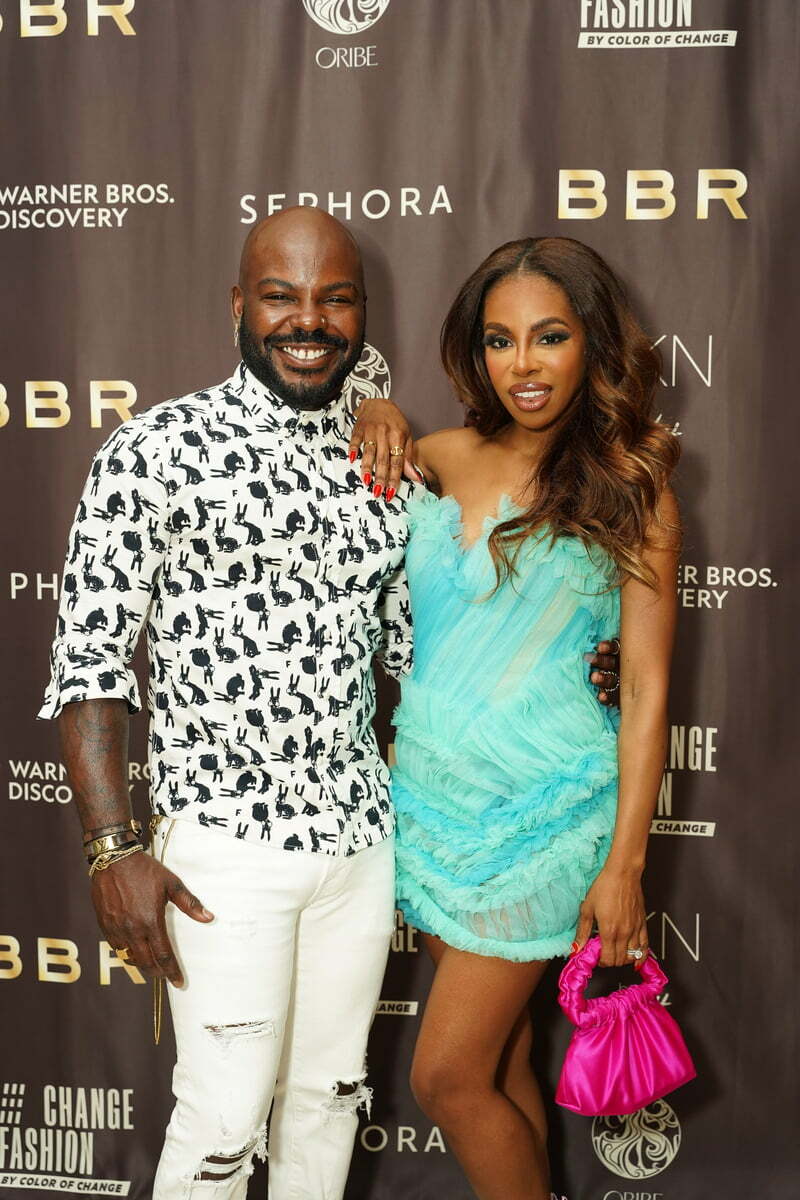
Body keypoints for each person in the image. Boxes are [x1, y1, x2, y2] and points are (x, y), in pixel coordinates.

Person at [38, 209, 619, 1199]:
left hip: (362, 845)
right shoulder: (154, 451)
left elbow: (428, 631)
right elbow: (89, 659)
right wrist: (111, 846)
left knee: (330, 1103)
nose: (305, 319)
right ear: (238, 306)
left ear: (360, 315)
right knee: (223, 1117)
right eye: (279, 296)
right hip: (223, 848)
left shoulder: (383, 468)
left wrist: (583, 656)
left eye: (332, 299)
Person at [390, 236, 680, 1200]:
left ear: (591, 346)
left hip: (546, 817)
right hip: (428, 810)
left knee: (446, 1075)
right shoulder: (431, 457)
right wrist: (374, 409)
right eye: (500, 340)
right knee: (504, 1062)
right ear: (476, 353)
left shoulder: (636, 491)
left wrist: (624, 867)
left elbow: (643, 690)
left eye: (549, 337)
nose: (523, 364)